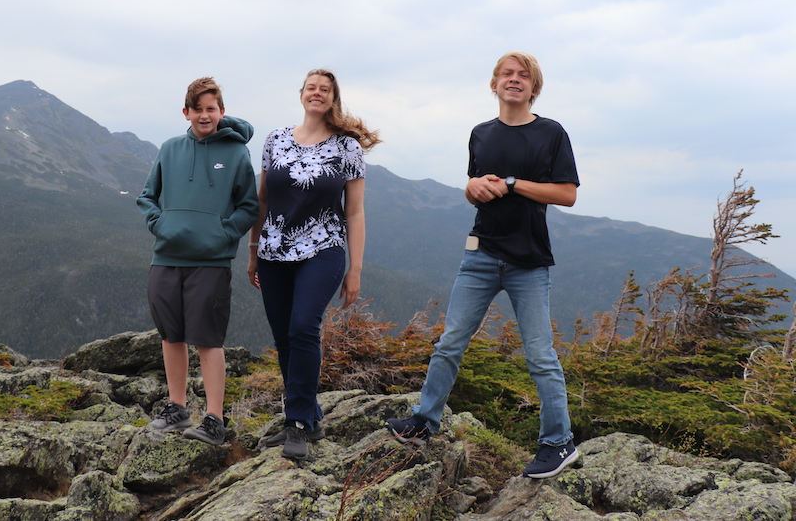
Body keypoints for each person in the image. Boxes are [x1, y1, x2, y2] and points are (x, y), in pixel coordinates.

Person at [385, 51, 581, 479]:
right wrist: (472, 188)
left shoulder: (551, 133)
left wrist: (511, 183)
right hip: (480, 254)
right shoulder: (480, 134)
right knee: (451, 342)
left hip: (528, 261)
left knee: (540, 355)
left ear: (534, 88)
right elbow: (476, 190)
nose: (514, 80)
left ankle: (558, 442)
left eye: (523, 76)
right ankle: (424, 422)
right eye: (506, 74)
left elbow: (567, 194)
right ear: (494, 84)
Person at [247, 68, 381, 461]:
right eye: (312, 88)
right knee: (285, 337)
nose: (317, 93)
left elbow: (354, 213)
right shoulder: (275, 140)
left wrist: (355, 269)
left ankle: (300, 424)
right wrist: (254, 250)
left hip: (324, 248)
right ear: (301, 94)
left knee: (304, 327)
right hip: (274, 250)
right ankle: (304, 414)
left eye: (325, 89)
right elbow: (263, 199)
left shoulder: (347, 148)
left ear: (333, 98)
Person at [137, 76, 259, 446]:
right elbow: (147, 196)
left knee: (207, 339)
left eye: (211, 109)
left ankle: (214, 419)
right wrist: (162, 226)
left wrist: (223, 234)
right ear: (185, 112)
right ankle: (176, 408)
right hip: (167, 256)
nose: (204, 116)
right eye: (197, 109)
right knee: (170, 335)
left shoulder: (237, 152)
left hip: (211, 260)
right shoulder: (170, 148)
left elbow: (249, 205)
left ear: (222, 112)